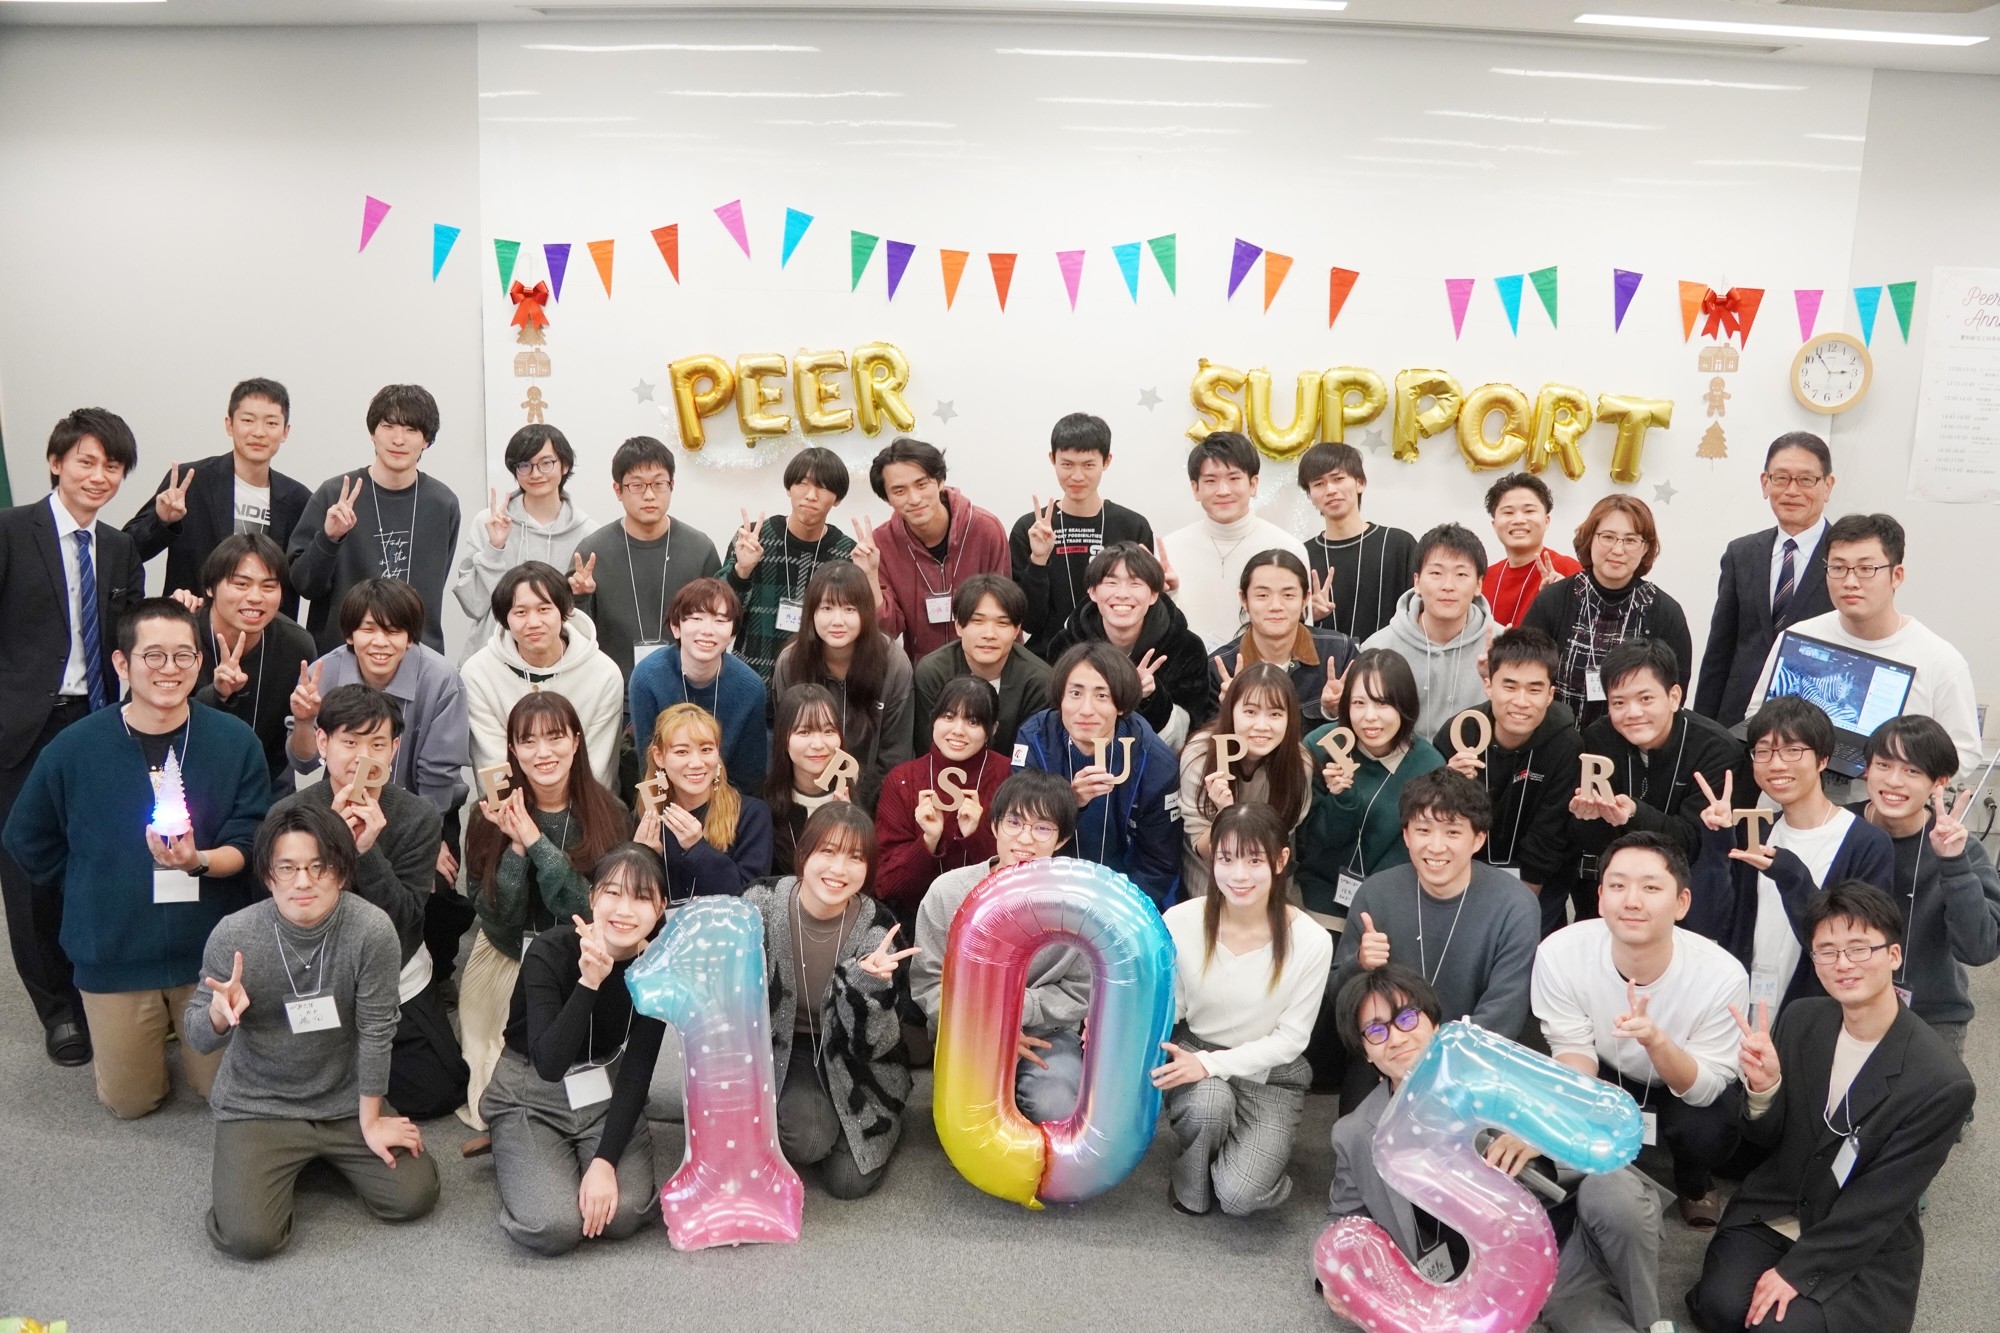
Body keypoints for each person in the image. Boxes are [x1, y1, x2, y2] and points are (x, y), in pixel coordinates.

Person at [3, 598, 271, 1117]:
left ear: (200, 662)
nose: (170, 668)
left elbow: (252, 840)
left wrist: (198, 861)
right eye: (153, 655)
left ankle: (183, 1028)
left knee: (222, 1093)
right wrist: (89, 882)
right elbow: (26, 837)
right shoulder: (74, 748)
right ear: (122, 664)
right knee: (132, 1102)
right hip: (114, 953)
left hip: (208, 952)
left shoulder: (234, 741)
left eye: (183, 655)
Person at [1686, 882, 1976, 1333]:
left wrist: (1796, 1271)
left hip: (1859, 1241)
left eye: (1859, 948)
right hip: (1779, 1209)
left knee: (1775, 1327)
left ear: (1893, 955)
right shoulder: (1802, 1019)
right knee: (1721, 1306)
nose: (1842, 963)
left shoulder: (1941, 1081)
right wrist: (1765, 1089)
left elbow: (1881, 1202)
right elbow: (1765, 1140)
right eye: (1827, 951)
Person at [1331, 964, 1672, 1333]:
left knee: (1613, 1196)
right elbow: (1343, 1220)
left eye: (1406, 1018)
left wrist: (1539, 1138)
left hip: (1572, 1226)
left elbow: (1593, 1126)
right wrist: (1339, 1278)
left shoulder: (1490, 1068)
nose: (1396, 1038)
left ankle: (1650, 1321)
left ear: (1434, 1024)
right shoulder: (1356, 1133)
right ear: (1365, 1051)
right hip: (1503, 1274)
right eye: (1376, 1031)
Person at [187, 802, 437, 1259]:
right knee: (249, 1239)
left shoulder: (371, 930)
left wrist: (371, 1119)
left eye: (318, 867)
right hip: (260, 1102)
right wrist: (219, 1014)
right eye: (287, 868)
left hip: (345, 1099)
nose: (303, 881)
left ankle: (313, 1157)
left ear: (342, 872)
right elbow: (198, 1037)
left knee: (413, 1196)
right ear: (268, 876)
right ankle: (285, 1160)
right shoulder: (234, 934)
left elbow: (377, 1029)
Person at [0, 407, 146, 1066]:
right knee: (30, 868)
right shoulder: (11, 531)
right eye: (86, 461)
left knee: (99, 858)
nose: (99, 476)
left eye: (112, 466)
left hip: (97, 721)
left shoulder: (118, 547)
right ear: (56, 462)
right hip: (24, 726)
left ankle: (98, 985)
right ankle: (56, 1008)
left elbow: (132, 635)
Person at [1535, 832, 1750, 1232]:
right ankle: (1606, 1177)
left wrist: (1655, 1041)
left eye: (1651, 888)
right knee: (1559, 1103)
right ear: (1600, 897)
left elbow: (1705, 1088)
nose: (1632, 901)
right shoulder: (1560, 952)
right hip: (1604, 1066)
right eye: (1618, 886)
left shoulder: (1721, 975)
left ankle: (1694, 1181)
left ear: (1682, 902)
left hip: (1683, 1077)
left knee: (1707, 1130)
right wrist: (1569, 1106)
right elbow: (1572, 1047)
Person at [269, 685, 466, 1120]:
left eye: (377, 744)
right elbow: (285, 913)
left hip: (393, 972)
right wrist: (331, 846)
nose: (363, 756)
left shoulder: (416, 816)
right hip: (316, 972)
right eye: (349, 742)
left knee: (437, 1091)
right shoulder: (290, 814)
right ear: (323, 743)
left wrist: (365, 850)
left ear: (394, 749)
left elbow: (405, 920)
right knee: (289, 1085)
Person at [458, 692, 631, 1140]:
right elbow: (495, 916)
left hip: (582, 955)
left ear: (576, 741)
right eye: (528, 741)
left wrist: (535, 841)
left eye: (555, 737)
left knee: (575, 1065)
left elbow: (587, 909)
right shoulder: (486, 815)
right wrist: (514, 849)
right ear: (512, 750)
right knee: (490, 1086)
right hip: (506, 954)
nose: (543, 752)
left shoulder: (610, 813)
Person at [480, 845, 667, 1255]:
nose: (624, 910)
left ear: (660, 908)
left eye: (641, 897)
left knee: (624, 1214)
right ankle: (511, 1137)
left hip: (605, 1084)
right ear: (592, 896)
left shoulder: (656, 968)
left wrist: (604, 1162)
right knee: (555, 1226)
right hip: (532, 1088)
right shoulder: (550, 951)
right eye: (613, 892)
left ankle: (577, 1157)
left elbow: (637, 1069)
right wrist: (589, 982)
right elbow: (549, 1063)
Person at [288, 578, 471, 984]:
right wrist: (303, 721)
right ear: (349, 635)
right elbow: (303, 760)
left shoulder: (440, 677)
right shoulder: (323, 672)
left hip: (425, 807)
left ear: (410, 638)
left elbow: (438, 773)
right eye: (368, 629)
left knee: (438, 887)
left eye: (393, 631)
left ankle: (434, 976)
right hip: (341, 800)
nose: (380, 642)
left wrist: (428, 835)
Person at [1156, 804, 1333, 1216]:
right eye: (1227, 859)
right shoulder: (1180, 920)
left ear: (1280, 860)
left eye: (1254, 860)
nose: (1239, 875)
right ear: (1212, 859)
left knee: (1240, 1197)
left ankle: (1244, 1156)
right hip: (1195, 1051)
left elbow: (1290, 1040)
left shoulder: (1312, 941)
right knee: (1209, 1105)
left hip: (1270, 1074)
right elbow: (1172, 1005)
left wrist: (1212, 1065)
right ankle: (1192, 1180)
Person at [742, 802, 921, 1198]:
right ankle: (818, 1113)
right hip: (783, 1044)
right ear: (804, 853)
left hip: (855, 1059)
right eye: (828, 851)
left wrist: (867, 987)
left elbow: (875, 1045)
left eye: (855, 858)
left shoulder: (878, 930)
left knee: (848, 1183)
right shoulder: (762, 902)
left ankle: (863, 1117)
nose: (839, 869)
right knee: (808, 1141)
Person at [912, 769, 1090, 1124]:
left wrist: (1016, 1012)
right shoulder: (948, 891)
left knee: (1056, 1106)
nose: (1025, 838)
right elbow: (928, 982)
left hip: (1047, 1033)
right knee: (966, 1119)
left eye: (1042, 828)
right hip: (967, 1028)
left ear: (1062, 839)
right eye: (1014, 823)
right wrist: (992, 1030)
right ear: (994, 826)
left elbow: (1079, 990)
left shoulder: (1079, 905)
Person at [1745, 512, 1982, 776]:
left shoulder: (1940, 661)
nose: (1850, 582)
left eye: (1866, 569)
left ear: (1896, 575)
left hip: (1883, 801)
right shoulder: (1798, 636)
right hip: (1790, 794)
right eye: (1838, 568)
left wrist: (1895, 774)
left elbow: (1964, 754)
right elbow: (1757, 717)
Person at [1699, 697, 1893, 1014]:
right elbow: (1710, 924)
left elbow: (1856, 948)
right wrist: (1717, 843)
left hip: (1815, 1016)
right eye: (1764, 751)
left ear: (1822, 760)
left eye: (1792, 751)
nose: (1776, 764)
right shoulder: (1755, 832)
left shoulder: (1866, 843)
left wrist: (1791, 877)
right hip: (1742, 1006)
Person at [1331, 768, 1540, 1048]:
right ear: (1406, 835)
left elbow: (1506, 1011)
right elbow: (1337, 996)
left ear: (1478, 839)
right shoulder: (1375, 893)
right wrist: (1360, 963)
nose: (1436, 846)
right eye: (1423, 830)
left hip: (1474, 1054)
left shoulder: (1514, 904)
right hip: (1390, 1051)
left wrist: (1438, 1056)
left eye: (1452, 832)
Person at [1571, 638, 1746, 940]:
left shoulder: (1715, 749)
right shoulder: (1598, 739)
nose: (1632, 712)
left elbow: (1694, 843)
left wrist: (1634, 813)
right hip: (1613, 894)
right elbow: (1589, 844)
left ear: (1674, 696)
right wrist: (1586, 818)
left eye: (1646, 699)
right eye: (1618, 703)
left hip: (1688, 900)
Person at [1853, 715, 2000, 1052]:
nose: (1894, 781)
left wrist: (1953, 863)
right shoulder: (1839, 828)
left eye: (1912, 771)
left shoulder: (1962, 849)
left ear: (1939, 782)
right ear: (1867, 769)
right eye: (1883, 765)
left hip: (1930, 1015)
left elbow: (1979, 949)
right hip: (1843, 1006)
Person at [288, 384, 461, 655]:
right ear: (372, 433)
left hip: (416, 656)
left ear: (426, 440)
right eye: (388, 426)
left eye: (411, 430)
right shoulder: (335, 495)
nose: (398, 439)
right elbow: (304, 585)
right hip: (343, 656)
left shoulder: (443, 504)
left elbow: (434, 584)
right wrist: (329, 539)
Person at [1434, 627, 1583, 938]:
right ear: (1489, 685)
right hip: (1464, 872)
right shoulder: (1460, 731)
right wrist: (1447, 784)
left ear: (1550, 694)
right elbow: (1433, 818)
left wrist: (1516, 909)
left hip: (1539, 880)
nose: (1521, 701)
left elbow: (1550, 835)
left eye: (1534, 689)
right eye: (1510, 686)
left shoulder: (1567, 745)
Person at [123, 377, 311, 619]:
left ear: (285, 432)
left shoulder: (298, 499)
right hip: (193, 625)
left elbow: (302, 577)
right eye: (248, 420)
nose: (259, 432)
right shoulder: (191, 481)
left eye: (271, 423)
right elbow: (128, 550)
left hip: (263, 630)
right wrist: (162, 521)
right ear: (229, 425)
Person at [1012, 642, 1182, 907]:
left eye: (1102, 695)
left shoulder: (1155, 760)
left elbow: (1158, 865)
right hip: (1046, 891)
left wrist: (1113, 911)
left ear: (1121, 705)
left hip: (1125, 899)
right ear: (1060, 698)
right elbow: (1021, 833)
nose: (1086, 709)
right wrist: (1071, 802)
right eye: (1075, 693)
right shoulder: (1034, 737)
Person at [1694, 433, 1837, 726]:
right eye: (1781, 478)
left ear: (1828, 486)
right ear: (1765, 483)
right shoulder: (1741, 553)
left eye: (1806, 480)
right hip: (1738, 719)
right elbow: (1720, 650)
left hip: (1812, 722)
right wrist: (1702, 729)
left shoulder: (1846, 559)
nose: (1792, 491)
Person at [1296, 648, 1446, 929]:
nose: (1369, 717)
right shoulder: (1321, 746)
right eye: (1358, 703)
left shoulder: (1429, 764)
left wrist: (1375, 901)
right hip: (1319, 897)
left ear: (1405, 704)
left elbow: (1416, 850)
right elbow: (1313, 842)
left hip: (1391, 902)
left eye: (1382, 703)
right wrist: (1341, 799)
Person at [1522, 494, 1692, 730]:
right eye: (1608, 537)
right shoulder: (1554, 600)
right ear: (1590, 539)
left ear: (1645, 548)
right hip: (1557, 739)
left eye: (1631, 540)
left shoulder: (1665, 612)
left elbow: (1673, 696)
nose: (1618, 549)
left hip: (1633, 743)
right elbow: (1525, 677)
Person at [463, 561, 625, 793]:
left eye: (544, 609)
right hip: (512, 805)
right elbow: (493, 766)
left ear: (565, 611)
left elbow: (599, 768)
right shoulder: (478, 673)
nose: (533, 623)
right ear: (504, 618)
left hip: (587, 803)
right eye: (520, 612)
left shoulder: (603, 674)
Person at [570, 435, 721, 680]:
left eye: (659, 483)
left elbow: (718, 623)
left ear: (672, 485)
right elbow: (575, 636)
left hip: (685, 688)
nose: (649, 495)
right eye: (637, 485)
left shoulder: (699, 548)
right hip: (615, 689)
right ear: (618, 490)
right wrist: (580, 597)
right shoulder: (593, 552)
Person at [850, 435, 1011, 665]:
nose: (914, 499)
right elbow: (888, 631)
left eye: (922, 484)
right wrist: (869, 577)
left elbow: (1005, 609)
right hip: (924, 672)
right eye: (899, 491)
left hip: (985, 665)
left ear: (940, 481)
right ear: (887, 499)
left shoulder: (985, 529)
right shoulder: (881, 544)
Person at [771, 560, 914, 812]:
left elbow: (894, 754)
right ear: (811, 612)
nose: (837, 621)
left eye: (849, 609)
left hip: (873, 802)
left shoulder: (894, 664)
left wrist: (862, 809)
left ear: (867, 612)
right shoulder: (791, 662)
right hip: (804, 797)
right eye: (827, 608)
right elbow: (786, 741)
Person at [1009, 412, 1156, 647]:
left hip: (1115, 655)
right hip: (1048, 656)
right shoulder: (1030, 529)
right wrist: (1038, 560)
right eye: (1067, 464)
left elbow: (1144, 608)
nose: (1077, 476)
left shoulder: (1132, 526)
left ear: (1106, 461)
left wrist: (1164, 586)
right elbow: (1027, 622)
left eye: (1088, 465)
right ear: (1052, 459)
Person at [450, 423, 593, 665]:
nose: (535, 474)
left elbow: (583, 620)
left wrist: (581, 595)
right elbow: (472, 605)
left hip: (557, 663)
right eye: (524, 465)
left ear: (565, 466)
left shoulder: (587, 533)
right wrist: (495, 550)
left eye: (546, 463)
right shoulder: (489, 522)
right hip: (491, 660)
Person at [1044, 541, 1208, 750]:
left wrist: (1151, 697)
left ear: (1154, 595)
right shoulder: (1066, 645)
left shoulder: (1185, 648)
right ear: (1092, 591)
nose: (1122, 594)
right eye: (1111, 582)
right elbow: (1053, 718)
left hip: (1155, 761)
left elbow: (1190, 735)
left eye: (1135, 583)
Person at [189, 533, 317, 798]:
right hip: (185, 781)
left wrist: (305, 721)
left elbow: (303, 761)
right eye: (241, 584)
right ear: (210, 588)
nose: (255, 597)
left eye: (269, 586)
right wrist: (217, 694)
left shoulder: (296, 645)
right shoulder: (181, 636)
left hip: (265, 787)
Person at [1179, 662, 1314, 902]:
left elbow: (1281, 837)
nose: (1261, 726)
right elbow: (1202, 848)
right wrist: (1224, 814)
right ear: (1231, 711)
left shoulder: (1299, 763)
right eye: (1250, 712)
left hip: (1269, 875)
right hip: (1208, 878)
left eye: (1275, 714)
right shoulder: (1200, 755)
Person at [1160, 432, 1308, 650]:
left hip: (1264, 669)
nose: (1223, 490)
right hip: (1189, 669)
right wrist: (1168, 594)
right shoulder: (1170, 549)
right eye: (1210, 481)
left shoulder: (1288, 548)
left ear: (1253, 484)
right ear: (1195, 489)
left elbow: (1302, 637)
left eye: (1234, 478)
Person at [875, 677, 1010, 917]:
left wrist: (975, 836)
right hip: (916, 918)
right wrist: (928, 841)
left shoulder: (1008, 776)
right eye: (948, 717)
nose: (958, 730)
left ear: (992, 730)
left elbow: (1015, 874)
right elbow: (887, 886)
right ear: (933, 719)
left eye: (973, 721)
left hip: (993, 916)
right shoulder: (902, 779)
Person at [722, 445, 855, 682]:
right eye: (802, 483)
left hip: (814, 685)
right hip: (751, 677)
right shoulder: (754, 538)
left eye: (823, 487)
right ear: (788, 488)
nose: (811, 495)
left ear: (838, 499)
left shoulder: (846, 552)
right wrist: (742, 570)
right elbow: (721, 614)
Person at [629, 577, 769, 795]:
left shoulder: (750, 687)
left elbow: (749, 778)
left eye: (720, 621)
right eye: (696, 618)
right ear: (676, 627)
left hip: (726, 799)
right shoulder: (647, 678)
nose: (707, 630)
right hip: (665, 796)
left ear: (732, 633)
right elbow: (649, 768)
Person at [1362, 522, 1495, 740]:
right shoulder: (1378, 648)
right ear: (1417, 581)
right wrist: (1333, 708)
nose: (1448, 586)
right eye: (1436, 573)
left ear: (1479, 585)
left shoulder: (1500, 646)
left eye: (1461, 574)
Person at [1203, 549, 1356, 728]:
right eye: (1262, 595)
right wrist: (1229, 711)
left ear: (1305, 599)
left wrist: (1335, 712)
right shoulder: (1220, 669)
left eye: (1288, 595)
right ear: (1244, 600)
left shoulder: (1339, 652)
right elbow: (1204, 741)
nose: (1276, 606)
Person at [636, 702, 774, 898]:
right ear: (659, 757)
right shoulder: (647, 815)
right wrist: (646, 858)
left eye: (706, 749)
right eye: (682, 752)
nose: (696, 763)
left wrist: (698, 848)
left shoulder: (751, 814)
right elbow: (632, 897)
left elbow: (750, 897)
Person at [910, 573, 1050, 755]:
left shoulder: (1039, 681)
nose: (989, 634)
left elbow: (1030, 754)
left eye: (1002, 623)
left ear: (1016, 630)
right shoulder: (933, 672)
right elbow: (926, 747)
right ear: (958, 625)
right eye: (977, 621)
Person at [1295, 441, 1416, 644]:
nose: (1330, 490)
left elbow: (1420, 612)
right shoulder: (1301, 555)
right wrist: (1307, 615)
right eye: (1318, 484)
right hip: (1323, 662)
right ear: (1310, 495)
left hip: (1389, 660)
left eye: (1338, 479)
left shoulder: (1398, 545)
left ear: (1360, 483)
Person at [766, 684, 854, 877]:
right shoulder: (762, 805)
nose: (818, 744)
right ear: (783, 738)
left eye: (828, 731)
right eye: (804, 732)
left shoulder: (868, 796)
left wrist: (851, 826)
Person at [1480, 471, 1581, 631]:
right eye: (1508, 512)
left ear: (1546, 521)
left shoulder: (1569, 571)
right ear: (1494, 524)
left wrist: (1564, 599)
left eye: (1529, 511)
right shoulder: (1483, 578)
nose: (1519, 520)